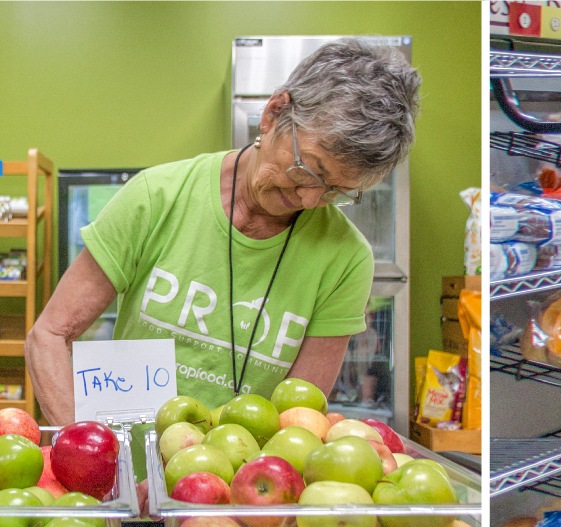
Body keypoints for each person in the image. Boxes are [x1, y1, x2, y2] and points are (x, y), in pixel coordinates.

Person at [27, 38, 420, 425]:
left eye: (337, 190)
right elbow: (49, 335)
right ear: (273, 114)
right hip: (119, 474)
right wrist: (87, 457)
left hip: (240, 486)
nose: (311, 197)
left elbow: (298, 421)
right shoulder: (157, 197)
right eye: (309, 168)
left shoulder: (345, 258)